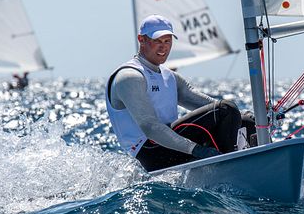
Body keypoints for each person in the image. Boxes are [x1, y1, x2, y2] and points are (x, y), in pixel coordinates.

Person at [106, 14, 254, 172]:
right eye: (157, 41)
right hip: (151, 152)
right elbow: (150, 127)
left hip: (171, 145)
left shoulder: (169, 76)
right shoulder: (129, 77)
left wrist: (246, 114)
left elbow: (203, 103)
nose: (163, 47)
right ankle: (228, 167)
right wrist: (196, 149)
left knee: (245, 119)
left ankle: (255, 159)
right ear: (141, 40)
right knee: (226, 110)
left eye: (167, 41)